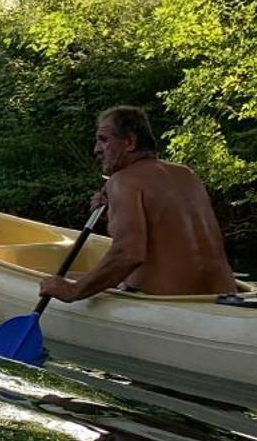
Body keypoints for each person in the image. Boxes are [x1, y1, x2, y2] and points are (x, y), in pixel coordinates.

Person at [37, 105, 238, 302]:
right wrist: (112, 213)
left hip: (174, 304)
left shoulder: (123, 181)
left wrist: (74, 290)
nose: (97, 149)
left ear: (130, 142)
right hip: (225, 297)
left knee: (71, 277)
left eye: (103, 140)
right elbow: (170, 236)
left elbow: (128, 254)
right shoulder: (186, 174)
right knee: (82, 274)